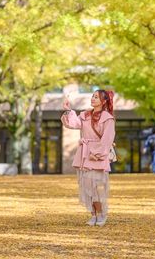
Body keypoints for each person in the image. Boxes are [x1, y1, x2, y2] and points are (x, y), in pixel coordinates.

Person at [61, 90, 116, 226]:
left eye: (96, 97)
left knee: (97, 186)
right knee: (87, 186)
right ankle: (93, 214)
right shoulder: (85, 115)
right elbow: (72, 124)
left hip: (97, 155)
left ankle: (101, 214)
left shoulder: (107, 118)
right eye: (92, 96)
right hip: (84, 155)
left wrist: (97, 154)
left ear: (103, 101)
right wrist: (68, 110)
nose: (93, 98)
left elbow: (107, 139)